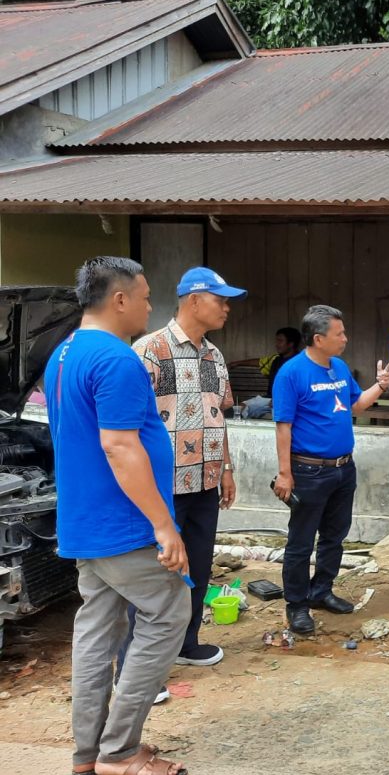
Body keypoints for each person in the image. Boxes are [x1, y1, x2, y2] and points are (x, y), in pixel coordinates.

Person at [46, 256, 191, 775]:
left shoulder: (63, 353)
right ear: (120, 299)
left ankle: (88, 756)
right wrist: (163, 524)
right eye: (147, 297)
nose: (152, 306)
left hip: (86, 522)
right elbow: (119, 446)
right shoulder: (117, 359)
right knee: (169, 613)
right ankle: (121, 751)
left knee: (96, 632)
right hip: (124, 524)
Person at [118, 267, 245, 676]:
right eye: (220, 300)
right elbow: (129, 428)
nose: (226, 308)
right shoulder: (149, 351)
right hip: (162, 489)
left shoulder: (214, 355)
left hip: (204, 483)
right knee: (155, 576)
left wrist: (225, 468)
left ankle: (186, 643)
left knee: (198, 567)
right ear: (194, 300)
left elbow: (218, 417)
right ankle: (141, 667)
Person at [272, 305, 389, 634]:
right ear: (319, 338)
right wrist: (285, 473)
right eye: (339, 334)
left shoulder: (338, 367)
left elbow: (355, 405)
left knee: (334, 537)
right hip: (308, 471)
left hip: (343, 469)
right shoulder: (291, 373)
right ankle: (296, 604)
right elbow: (283, 426)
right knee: (300, 542)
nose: (345, 339)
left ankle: (321, 591)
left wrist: (380, 386)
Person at [266, 326, 302, 396]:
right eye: (276, 341)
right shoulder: (276, 361)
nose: (276, 344)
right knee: (244, 405)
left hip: (289, 403)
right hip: (270, 401)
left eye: (280, 341)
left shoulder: (300, 363)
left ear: (291, 344)